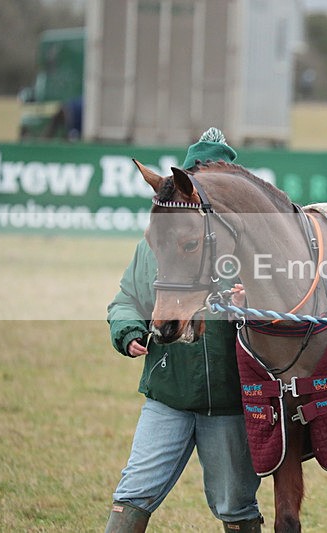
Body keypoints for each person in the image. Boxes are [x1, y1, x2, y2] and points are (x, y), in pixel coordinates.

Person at [105, 129, 262, 532]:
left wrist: (253, 308)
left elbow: (284, 323)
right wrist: (128, 330)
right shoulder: (156, 242)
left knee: (236, 506)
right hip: (167, 394)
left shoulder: (253, 247)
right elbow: (126, 299)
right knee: (134, 492)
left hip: (228, 404)